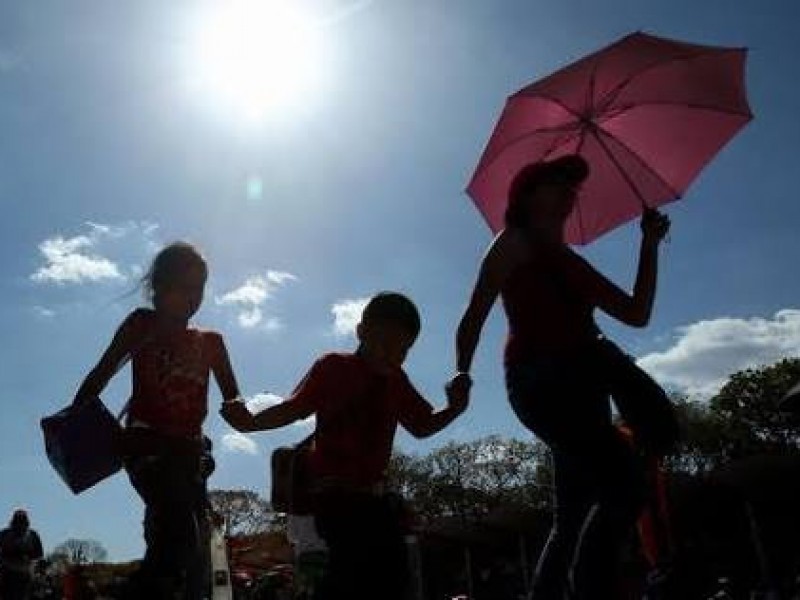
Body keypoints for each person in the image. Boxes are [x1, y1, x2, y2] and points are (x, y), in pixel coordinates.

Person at [450, 155, 675, 599]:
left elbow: (636, 313)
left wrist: (648, 244)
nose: (570, 193)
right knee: (626, 480)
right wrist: (462, 371)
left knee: (572, 513)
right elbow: (474, 314)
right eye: (558, 183)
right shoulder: (513, 242)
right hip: (542, 380)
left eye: (572, 187)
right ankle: (592, 585)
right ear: (528, 194)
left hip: (586, 384)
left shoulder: (574, 263)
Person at [223, 292, 470, 600]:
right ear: (361, 331)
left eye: (402, 349)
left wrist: (454, 409)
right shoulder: (334, 367)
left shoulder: (397, 380)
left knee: (395, 576)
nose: (390, 354)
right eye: (383, 342)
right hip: (335, 498)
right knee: (348, 575)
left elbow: (421, 425)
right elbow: (295, 407)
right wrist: (250, 422)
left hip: (376, 501)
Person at [71, 241, 244, 600]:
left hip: (190, 456)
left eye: (198, 288)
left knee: (189, 549)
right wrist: (73, 419)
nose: (191, 297)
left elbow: (234, 396)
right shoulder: (141, 325)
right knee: (179, 533)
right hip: (145, 449)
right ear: (159, 288)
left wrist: (245, 411)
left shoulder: (211, 342)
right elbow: (102, 372)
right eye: (181, 287)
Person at [0, 509, 44, 600]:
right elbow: (39, 555)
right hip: (15, 573)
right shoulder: (32, 535)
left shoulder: (4, 534)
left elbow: (39, 555)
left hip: (17, 573)